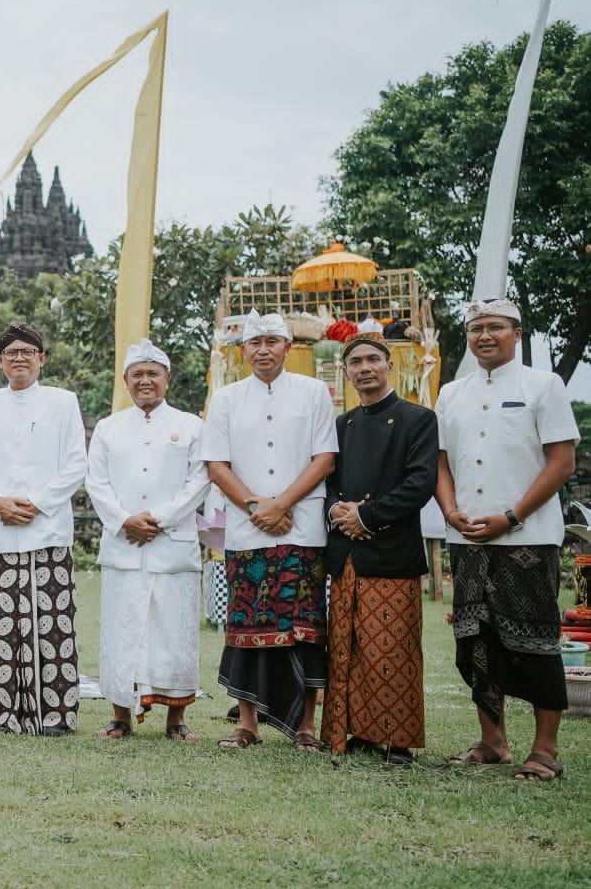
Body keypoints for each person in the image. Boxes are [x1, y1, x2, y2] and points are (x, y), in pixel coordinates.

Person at [437, 298, 580, 780]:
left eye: (495, 327)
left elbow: (562, 463)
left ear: (517, 334)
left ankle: (545, 751)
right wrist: (450, 511)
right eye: (476, 328)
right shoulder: (451, 392)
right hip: (468, 538)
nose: (484, 336)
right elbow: (440, 462)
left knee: (535, 640)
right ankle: (493, 741)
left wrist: (512, 516)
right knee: (474, 640)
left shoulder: (544, 385)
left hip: (528, 537)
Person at [200, 311, 337, 750]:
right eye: (254, 342)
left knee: (306, 628)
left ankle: (306, 726)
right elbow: (216, 464)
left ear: (288, 348)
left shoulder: (315, 392)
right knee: (247, 626)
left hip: (302, 527)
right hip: (248, 528)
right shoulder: (225, 398)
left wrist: (282, 504)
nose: (263, 349)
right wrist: (258, 506)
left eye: (271, 341)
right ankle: (247, 723)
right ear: (242, 351)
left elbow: (325, 458)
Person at [319, 335, 438, 763]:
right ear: (346, 371)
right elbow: (328, 481)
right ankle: (360, 732)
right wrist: (338, 511)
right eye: (356, 361)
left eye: (373, 359)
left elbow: (420, 482)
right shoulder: (341, 425)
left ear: (389, 365)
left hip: (391, 550)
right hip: (347, 552)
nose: (364, 367)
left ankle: (397, 740)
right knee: (347, 646)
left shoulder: (417, 419)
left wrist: (366, 516)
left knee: (392, 646)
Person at [0, 323, 88, 736]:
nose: (19, 358)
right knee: (3, 622)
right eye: (11, 352)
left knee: (52, 625)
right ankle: (2, 714)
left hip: (49, 528)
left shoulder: (62, 401)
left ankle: (55, 716)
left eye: (28, 351)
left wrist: (38, 503)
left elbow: (76, 463)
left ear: (42, 359)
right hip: (1, 529)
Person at [85, 339, 208, 743]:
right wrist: (124, 521)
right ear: (125, 380)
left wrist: (161, 520)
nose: (145, 381)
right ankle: (120, 715)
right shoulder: (108, 427)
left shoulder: (190, 425)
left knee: (175, 633)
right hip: (124, 546)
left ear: (167, 378)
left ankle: (176, 720)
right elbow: (96, 482)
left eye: (153, 373)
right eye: (137, 374)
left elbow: (200, 480)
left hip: (172, 545)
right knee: (122, 632)